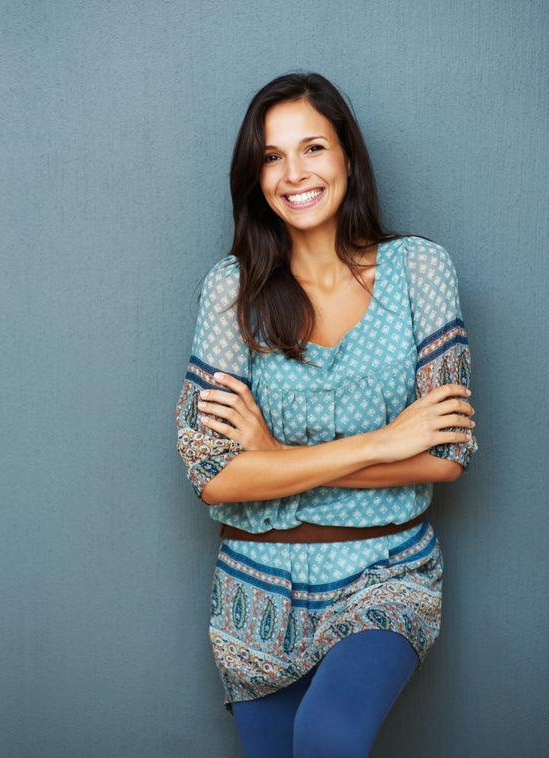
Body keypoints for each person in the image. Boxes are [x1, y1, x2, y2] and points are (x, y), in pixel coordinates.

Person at [175, 73, 478, 757]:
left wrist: (275, 459)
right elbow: (213, 476)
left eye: (313, 147)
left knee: (328, 735)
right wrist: (386, 441)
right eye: (273, 157)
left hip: (386, 570)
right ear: (255, 177)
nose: (294, 173)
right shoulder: (233, 290)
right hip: (256, 591)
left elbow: (448, 454)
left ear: (348, 155)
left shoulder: (420, 271)